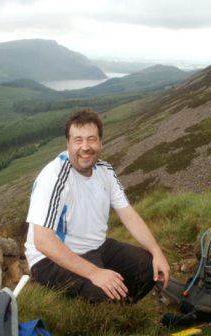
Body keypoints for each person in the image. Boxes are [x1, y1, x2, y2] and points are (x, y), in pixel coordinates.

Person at [24, 109, 170, 303]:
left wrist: (157, 252)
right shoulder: (54, 177)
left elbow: (128, 214)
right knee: (103, 294)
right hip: (49, 259)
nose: (85, 147)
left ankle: (121, 309)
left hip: (96, 247)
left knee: (147, 266)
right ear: (68, 144)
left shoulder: (105, 171)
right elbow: (43, 241)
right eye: (78, 140)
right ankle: (110, 309)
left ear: (100, 143)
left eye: (91, 139)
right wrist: (95, 273)